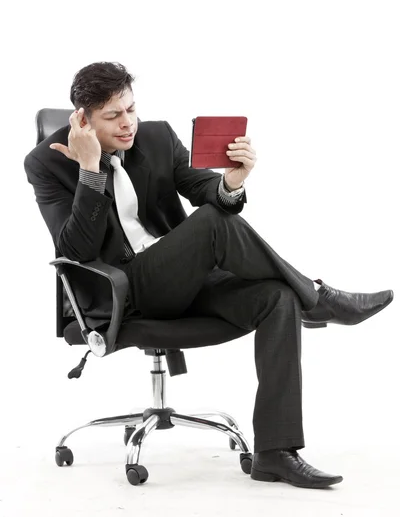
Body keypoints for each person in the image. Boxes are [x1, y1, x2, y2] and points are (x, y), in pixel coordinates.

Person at [24, 61, 394, 489]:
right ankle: (321, 299)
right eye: (113, 116)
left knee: (278, 297)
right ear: (83, 120)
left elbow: (205, 190)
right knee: (213, 222)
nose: (128, 124)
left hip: (182, 277)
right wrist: (90, 170)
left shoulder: (157, 136)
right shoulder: (46, 163)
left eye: (131, 109)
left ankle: (276, 453)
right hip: (122, 292)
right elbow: (74, 251)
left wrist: (231, 183)